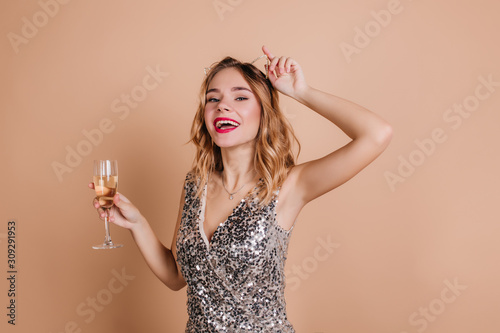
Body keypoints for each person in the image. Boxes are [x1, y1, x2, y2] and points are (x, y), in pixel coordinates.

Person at [89, 45, 392, 332]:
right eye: (213, 98)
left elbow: (377, 134)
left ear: (264, 112)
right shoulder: (195, 186)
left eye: (240, 97)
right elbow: (176, 276)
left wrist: (301, 92)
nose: (223, 106)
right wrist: (136, 223)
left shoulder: (288, 185)